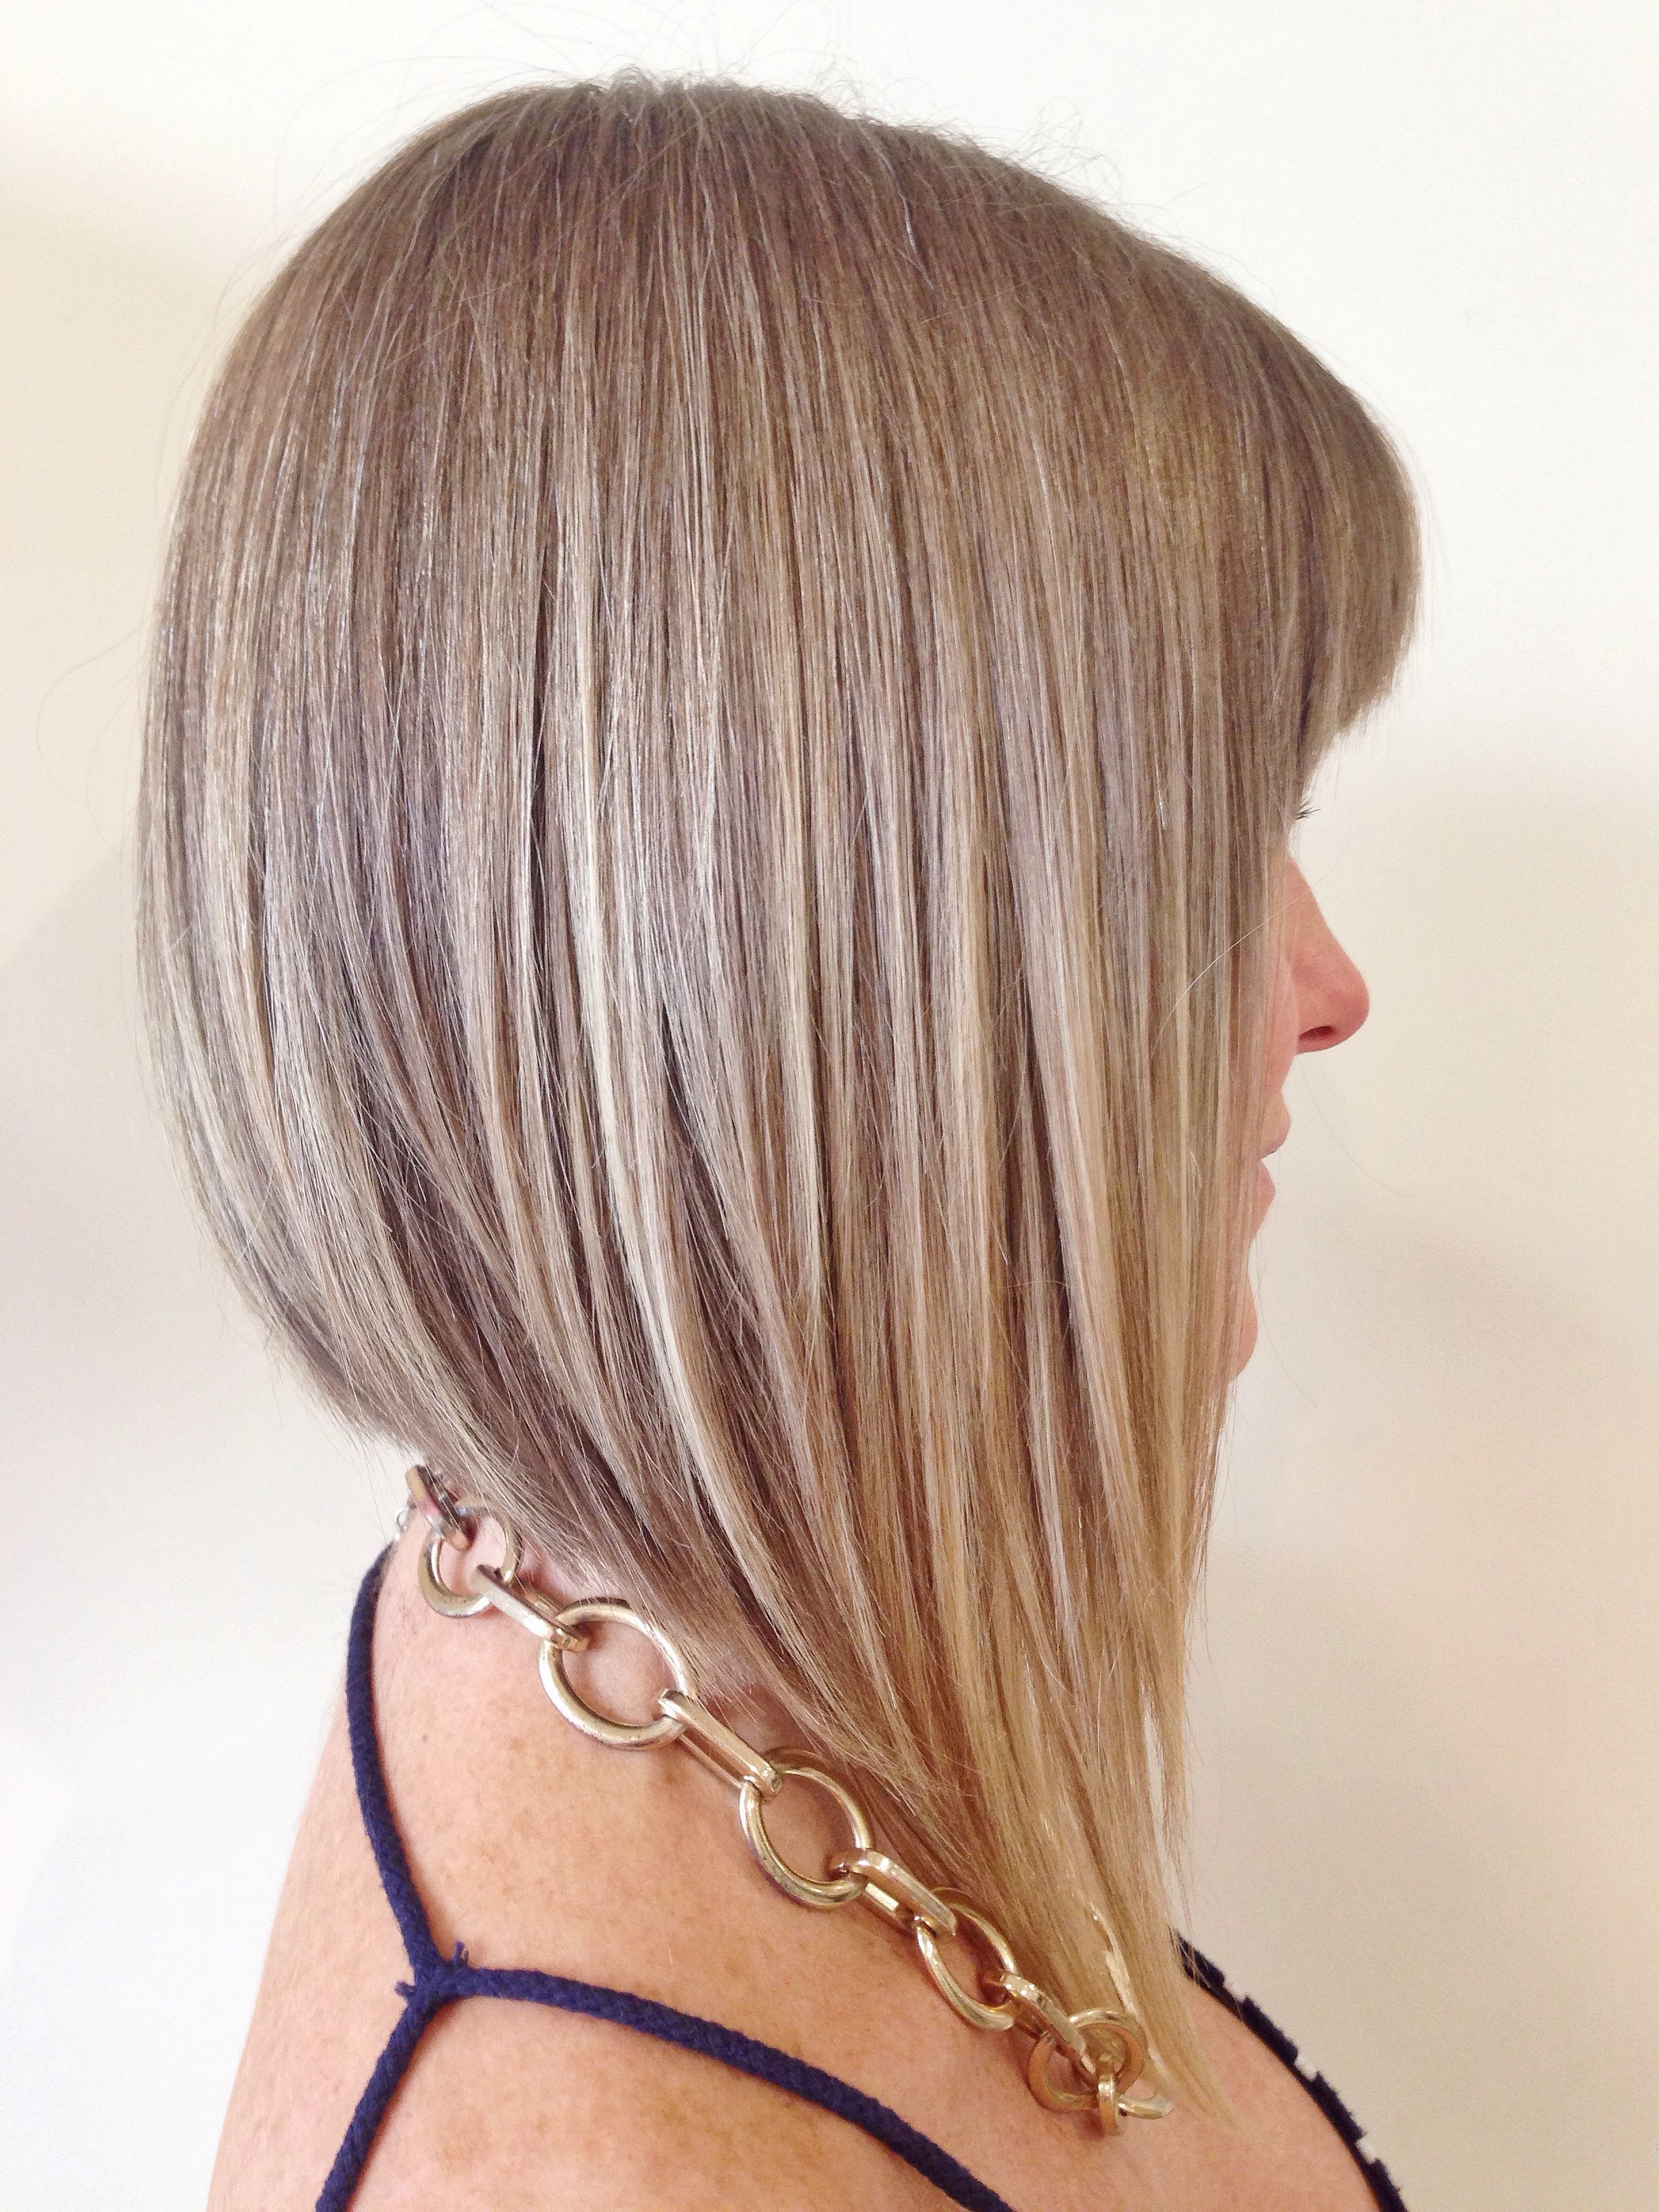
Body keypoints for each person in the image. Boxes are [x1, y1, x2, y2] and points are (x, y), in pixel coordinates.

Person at [135, 69, 1420, 2211]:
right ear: (804, 955)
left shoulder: (650, 1628)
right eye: (1228, 837)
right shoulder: (583, 2159)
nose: (1329, 983)